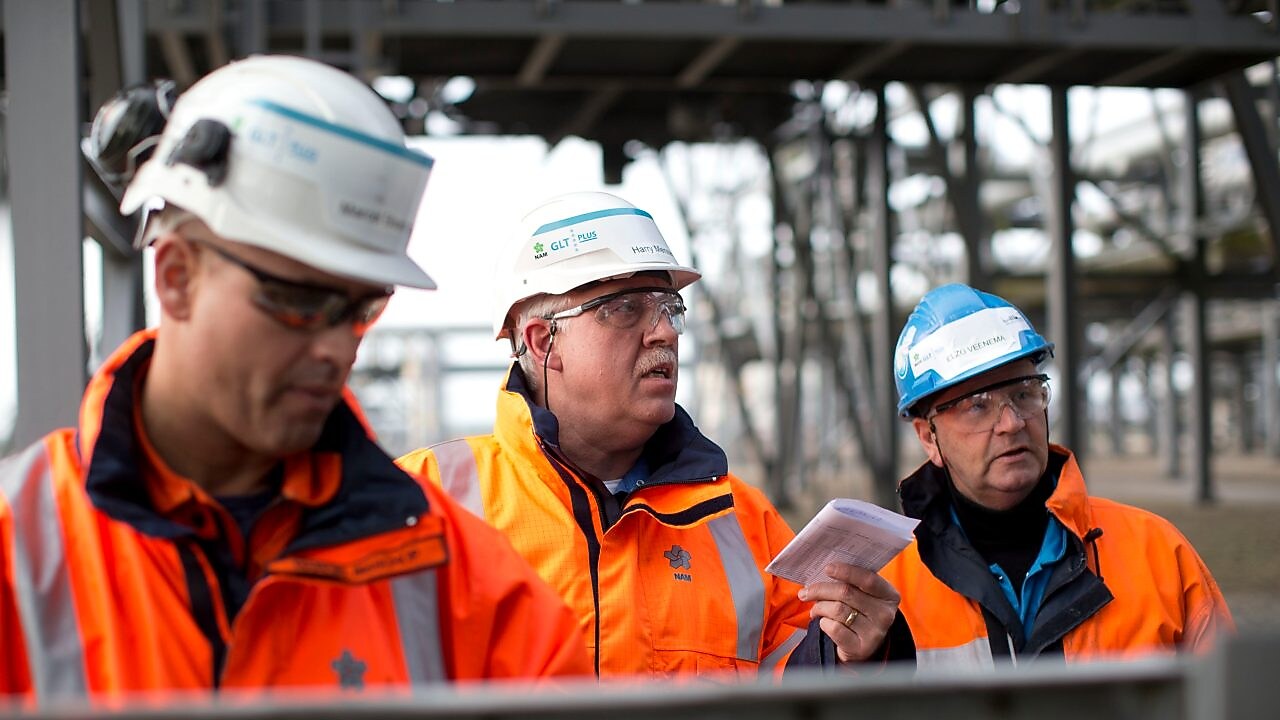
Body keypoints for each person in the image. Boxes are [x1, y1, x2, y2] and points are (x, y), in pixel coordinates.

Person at [0, 56, 590, 703]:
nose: (337, 348)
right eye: (298, 299)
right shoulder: (18, 552)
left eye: (359, 307)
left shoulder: (460, 584)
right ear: (175, 276)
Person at [398, 191, 908, 680]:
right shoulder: (421, 503)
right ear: (542, 341)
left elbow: (795, 693)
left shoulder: (743, 523)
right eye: (625, 309)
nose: (664, 332)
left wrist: (855, 654)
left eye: (669, 308)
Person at [881, 283, 1234, 670]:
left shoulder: (1158, 554)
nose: (1012, 423)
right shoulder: (887, 590)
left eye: (1024, 393)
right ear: (927, 436)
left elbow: (1232, 699)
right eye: (977, 406)